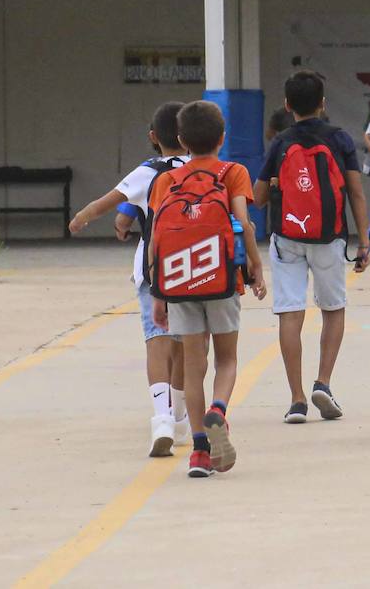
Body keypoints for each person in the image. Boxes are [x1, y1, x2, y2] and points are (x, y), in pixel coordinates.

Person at [148, 101, 267, 478]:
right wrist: (256, 267)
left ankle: (199, 450)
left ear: (181, 140)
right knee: (227, 360)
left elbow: (155, 238)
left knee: (192, 369)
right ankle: (219, 409)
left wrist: (157, 291)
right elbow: (244, 224)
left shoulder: (167, 180)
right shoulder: (233, 171)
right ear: (222, 137)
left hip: (179, 284)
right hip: (222, 282)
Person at [68, 102, 190, 457]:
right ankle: (181, 415)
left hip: (153, 269)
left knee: (157, 341)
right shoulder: (204, 169)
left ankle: (162, 418)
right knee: (184, 342)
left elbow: (106, 203)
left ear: (153, 137)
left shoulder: (146, 172)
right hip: (194, 268)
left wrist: (81, 219)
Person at [255, 70, 370, 424]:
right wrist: (365, 242)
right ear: (323, 103)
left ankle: (297, 399)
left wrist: (277, 183)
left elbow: (258, 199)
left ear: (287, 105)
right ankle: (324, 381)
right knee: (333, 308)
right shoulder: (340, 139)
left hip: (287, 238)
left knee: (291, 313)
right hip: (328, 236)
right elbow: (354, 193)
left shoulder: (280, 142)